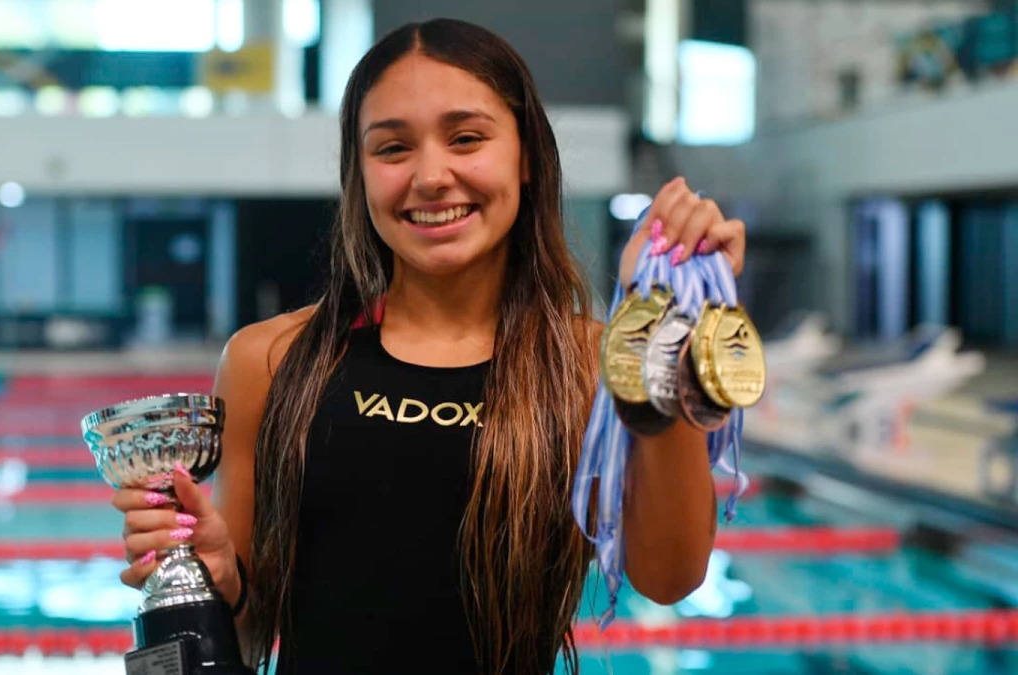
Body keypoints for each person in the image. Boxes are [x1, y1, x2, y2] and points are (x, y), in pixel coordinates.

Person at [113, 18, 747, 675]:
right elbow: (248, 634)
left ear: (526, 155)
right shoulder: (270, 361)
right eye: (392, 149)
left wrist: (661, 334)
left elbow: (669, 577)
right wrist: (222, 575)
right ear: (358, 173)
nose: (431, 176)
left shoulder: (583, 365)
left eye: (466, 138)